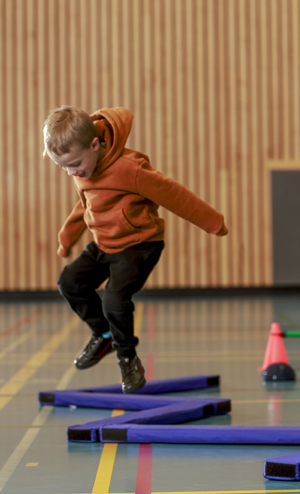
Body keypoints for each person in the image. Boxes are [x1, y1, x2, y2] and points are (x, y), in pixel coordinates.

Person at [43, 106, 228, 393]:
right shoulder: (83, 169)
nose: (71, 172)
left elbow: (174, 194)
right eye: (62, 167)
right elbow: (86, 205)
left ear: (95, 145)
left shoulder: (130, 170)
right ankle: (103, 334)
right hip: (105, 244)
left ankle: (128, 358)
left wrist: (212, 222)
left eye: (74, 163)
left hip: (140, 244)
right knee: (69, 282)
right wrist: (67, 238)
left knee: (114, 300)